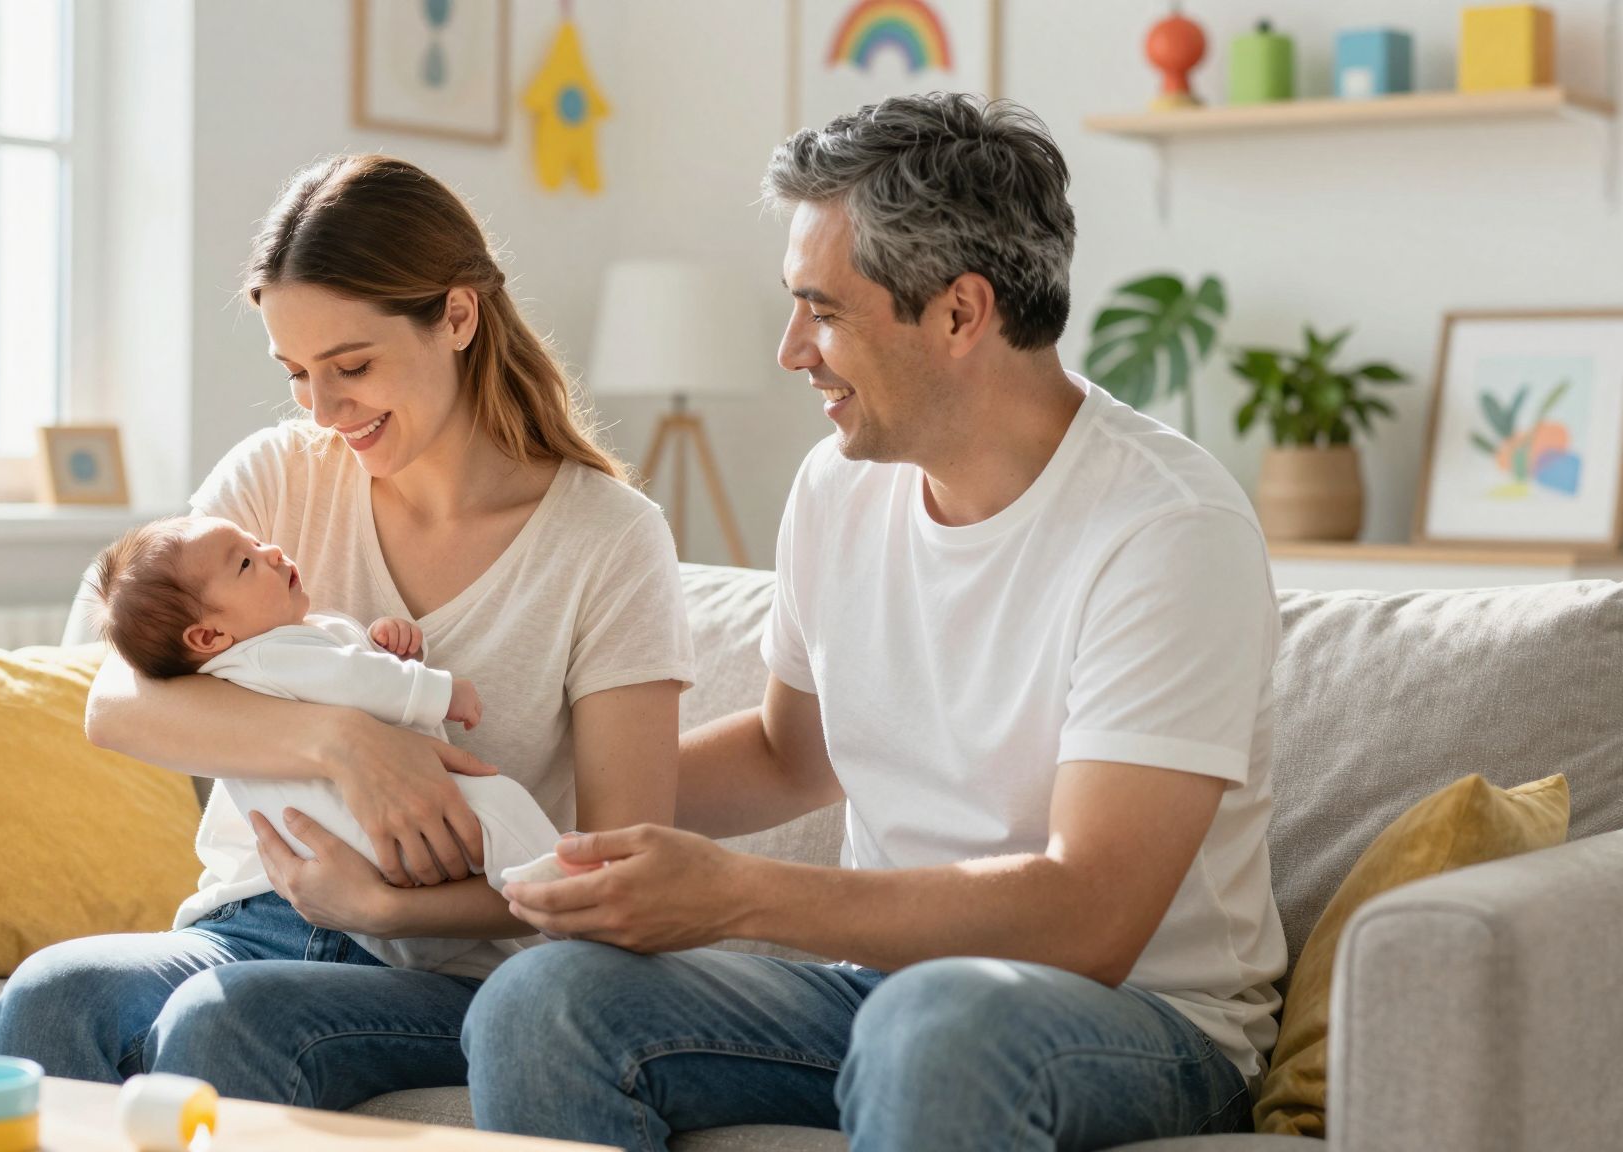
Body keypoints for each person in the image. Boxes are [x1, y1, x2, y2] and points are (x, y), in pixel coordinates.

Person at [469, 93, 1288, 1152]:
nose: (789, 351)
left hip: (1144, 1026)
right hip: (882, 998)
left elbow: (1090, 916)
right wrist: (529, 797)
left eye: (822, 310)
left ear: (958, 313)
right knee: (544, 1003)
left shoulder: (1166, 529)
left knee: (934, 1023)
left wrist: (735, 899)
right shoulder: (836, 487)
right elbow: (784, 755)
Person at [0, 153, 692, 1111]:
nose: (321, 408)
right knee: (55, 993)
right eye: (297, 374)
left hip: (454, 968)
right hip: (248, 926)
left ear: (458, 316)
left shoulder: (608, 539)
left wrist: (387, 907)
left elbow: (617, 875)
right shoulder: (276, 478)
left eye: (351, 367)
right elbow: (116, 702)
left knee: (224, 1020)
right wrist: (350, 742)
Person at [80, 513, 563, 975]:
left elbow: (350, 670)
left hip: (351, 864)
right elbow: (355, 680)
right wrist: (437, 690)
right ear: (208, 634)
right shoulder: (268, 656)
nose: (269, 551)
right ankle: (561, 881)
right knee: (500, 805)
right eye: (245, 563)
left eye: (253, 542)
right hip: (357, 842)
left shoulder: (259, 657)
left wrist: (391, 650)